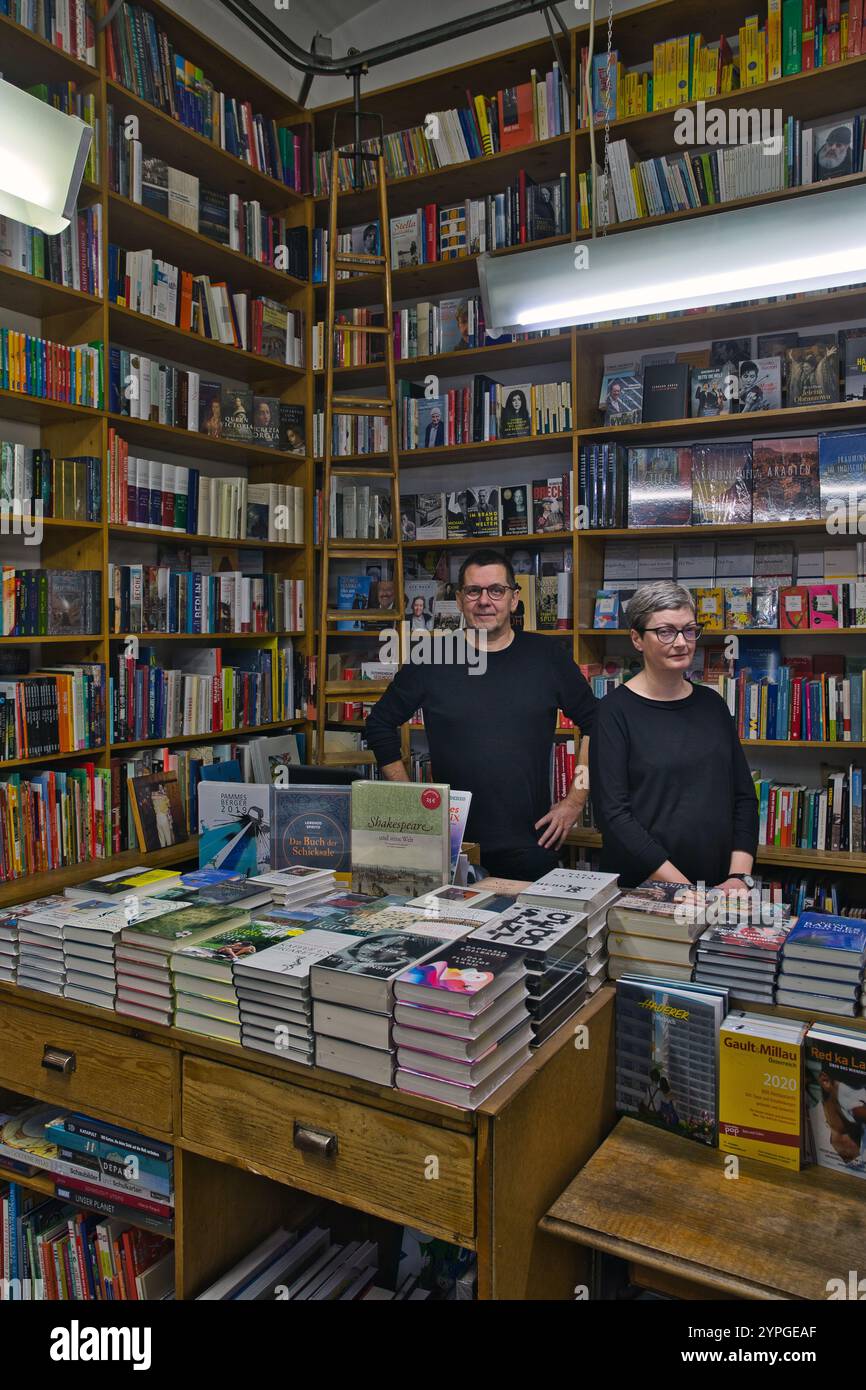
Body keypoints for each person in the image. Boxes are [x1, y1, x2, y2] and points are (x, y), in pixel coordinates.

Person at [365, 549, 596, 880]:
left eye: (496, 591)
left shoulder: (547, 657)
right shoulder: (432, 657)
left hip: (531, 844)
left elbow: (597, 724)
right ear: (460, 600)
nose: (484, 601)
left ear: (514, 599)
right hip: (452, 846)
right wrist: (413, 804)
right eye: (474, 591)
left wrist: (574, 802)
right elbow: (379, 724)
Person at [589, 580, 758, 890]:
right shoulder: (613, 712)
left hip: (718, 885)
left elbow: (744, 797)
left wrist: (738, 877)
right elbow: (613, 815)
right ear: (637, 639)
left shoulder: (713, 704)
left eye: (689, 630)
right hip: (644, 888)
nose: (681, 642)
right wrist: (682, 888)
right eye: (665, 632)